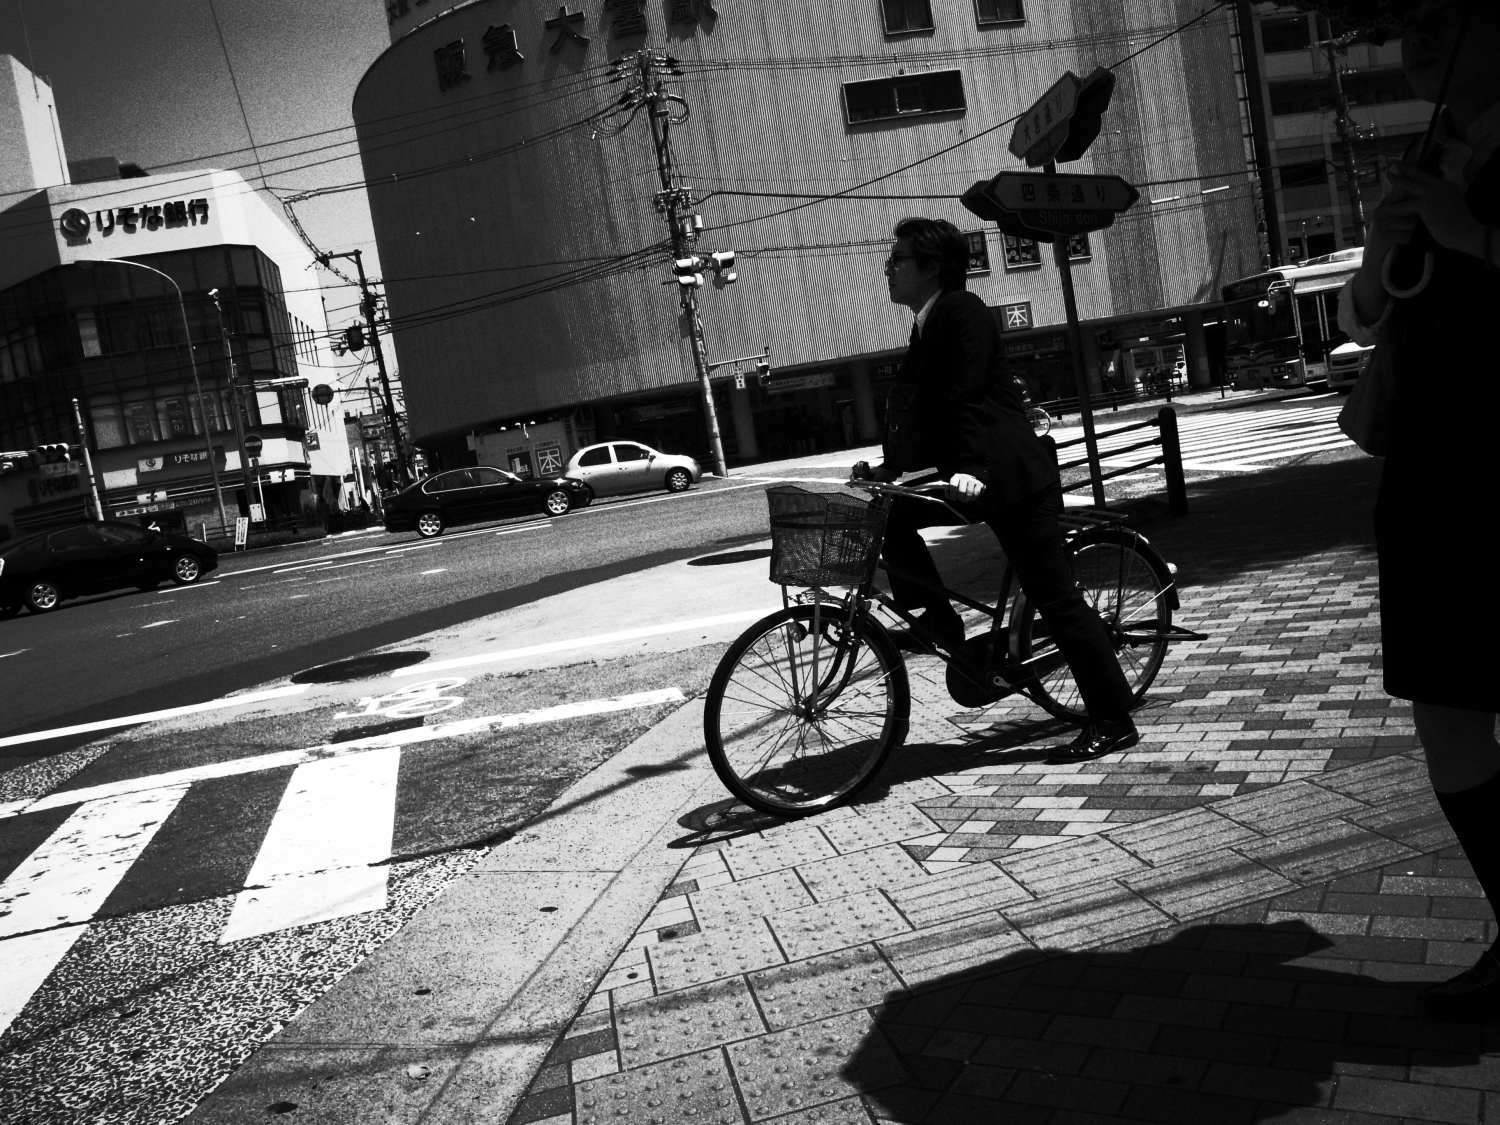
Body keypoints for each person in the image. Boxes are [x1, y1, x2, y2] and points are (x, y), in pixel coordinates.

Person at [1337, 0, 1500, 1017]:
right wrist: (1376, 256)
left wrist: (1470, 232)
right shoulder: (1429, 152)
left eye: (1447, 17)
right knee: (1447, 714)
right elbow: (1369, 317)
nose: (1419, 43)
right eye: (1410, 25)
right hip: (1435, 476)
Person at [854, 217, 1139, 763]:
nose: (888, 270)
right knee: (894, 513)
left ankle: (1113, 719)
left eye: (897, 260)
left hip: (1011, 479)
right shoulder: (926, 321)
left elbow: (965, 397)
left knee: (1057, 600)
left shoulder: (963, 311)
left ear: (931, 267)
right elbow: (921, 412)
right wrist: (890, 469)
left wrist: (969, 467)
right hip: (980, 479)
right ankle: (940, 619)